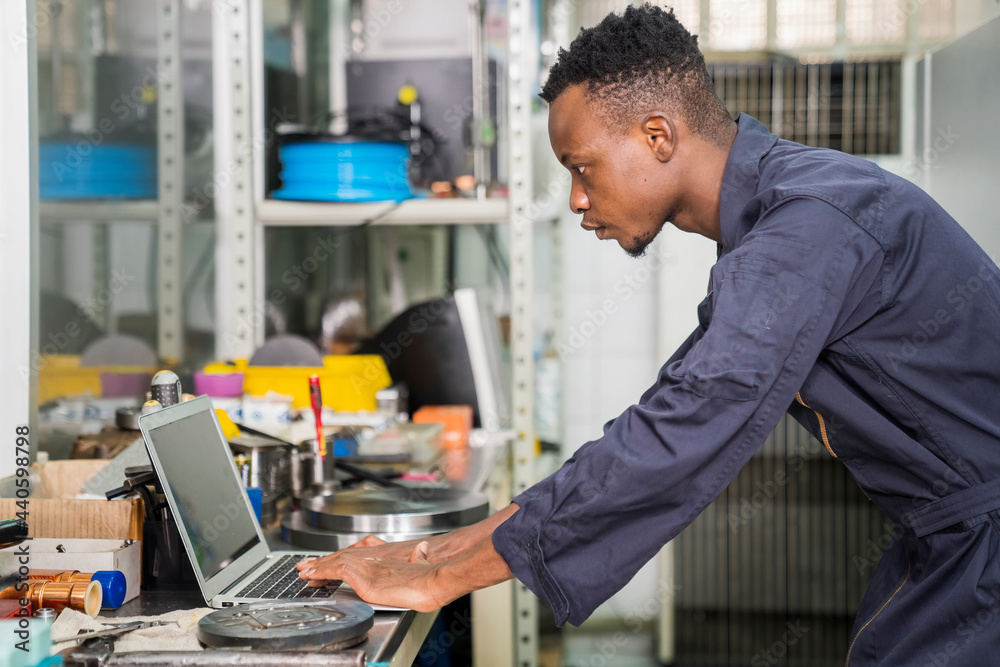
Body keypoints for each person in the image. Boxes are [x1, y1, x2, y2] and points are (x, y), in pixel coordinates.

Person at [299, 5, 1000, 663]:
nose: (576, 197)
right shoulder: (776, 222)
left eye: (581, 167)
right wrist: (444, 549)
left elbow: (684, 426)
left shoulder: (808, 225)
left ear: (657, 135)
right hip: (950, 540)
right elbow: (660, 412)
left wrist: (442, 583)